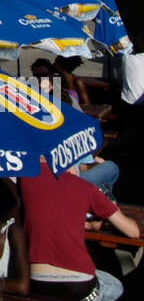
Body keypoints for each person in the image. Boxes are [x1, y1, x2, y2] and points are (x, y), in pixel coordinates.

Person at [19, 158, 141, 301]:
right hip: (78, 284)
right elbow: (133, 232)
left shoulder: (26, 178)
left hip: (36, 280)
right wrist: (113, 206)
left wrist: (89, 227)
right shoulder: (86, 187)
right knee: (115, 286)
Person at [30, 58, 119, 199]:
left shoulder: (62, 99)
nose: (38, 80)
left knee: (100, 164)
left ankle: (99, 204)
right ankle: (100, 206)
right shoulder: (37, 107)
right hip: (63, 182)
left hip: (49, 178)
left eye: (43, 76)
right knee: (111, 168)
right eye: (35, 76)